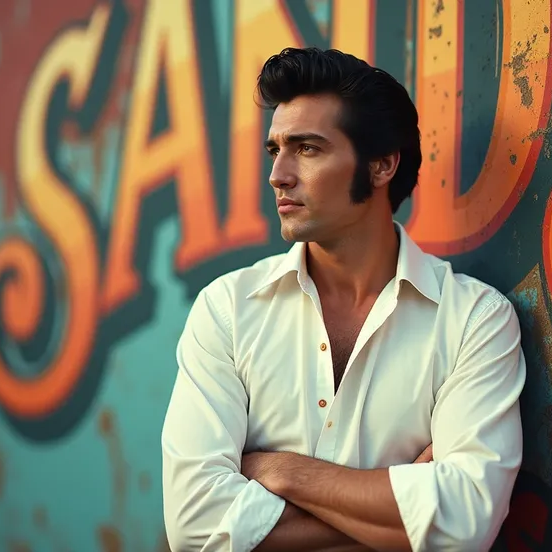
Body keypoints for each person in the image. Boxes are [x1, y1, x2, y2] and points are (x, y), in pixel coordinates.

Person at [161, 47, 526, 552]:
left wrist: (282, 472)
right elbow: (195, 525)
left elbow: (466, 524)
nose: (278, 174)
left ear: (381, 166)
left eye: (307, 148)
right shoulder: (227, 310)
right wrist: (405, 514)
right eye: (275, 150)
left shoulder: (474, 321)